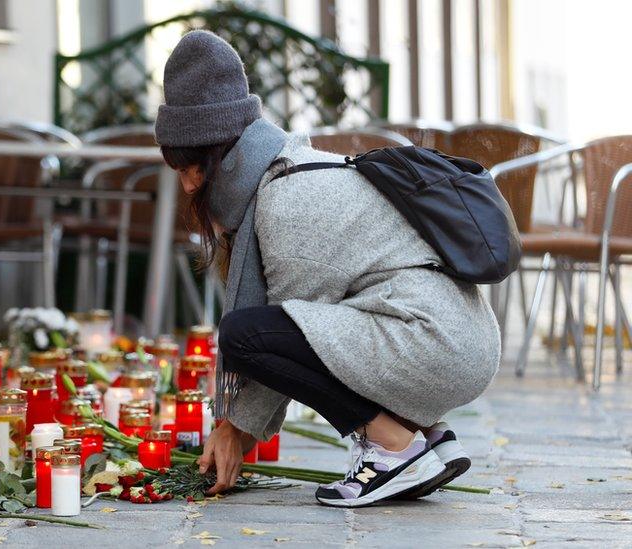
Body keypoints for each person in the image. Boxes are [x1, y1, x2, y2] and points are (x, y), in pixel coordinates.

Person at [154, 31, 500, 508]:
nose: (189, 185)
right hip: (450, 336)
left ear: (221, 157)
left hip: (436, 343)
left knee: (244, 336)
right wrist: (236, 429)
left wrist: (234, 429)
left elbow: (285, 339)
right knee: (272, 333)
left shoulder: (285, 200)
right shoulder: (284, 166)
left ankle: (394, 448)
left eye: (191, 166)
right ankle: (422, 438)